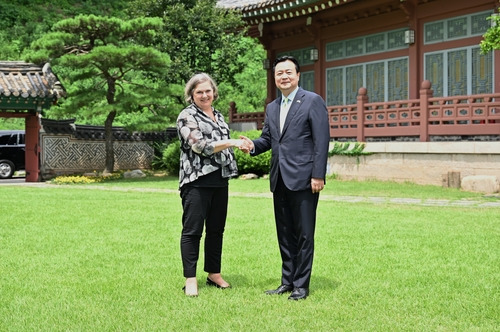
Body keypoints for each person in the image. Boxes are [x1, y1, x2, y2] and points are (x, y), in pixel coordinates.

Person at [240, 56, 330, 300]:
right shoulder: (272, 107)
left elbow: (321, 141)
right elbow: (269, 140)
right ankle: (287, 281)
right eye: (279, 73)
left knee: (303, 234)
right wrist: (252, 146)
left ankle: (301, 285)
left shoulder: (312, 101)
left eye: (288, 72)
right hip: (279, 179)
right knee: (285, 234)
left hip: (304, 179)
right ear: (275, 78)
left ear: (298, 75)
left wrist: (318, 175)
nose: (284, 77)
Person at [177, 72, 243, 297]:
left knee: (216, 230)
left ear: (214, 92)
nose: (205, 95)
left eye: (208, 91)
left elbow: (221, 145)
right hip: (196, 182)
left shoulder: (219, 115)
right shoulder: (186, 116)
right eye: (199, 92)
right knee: (192, 231)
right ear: (191, 95)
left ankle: (214, 273)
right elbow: (200, 146)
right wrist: (233, 142)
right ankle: (191, 278)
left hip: (219, 180)